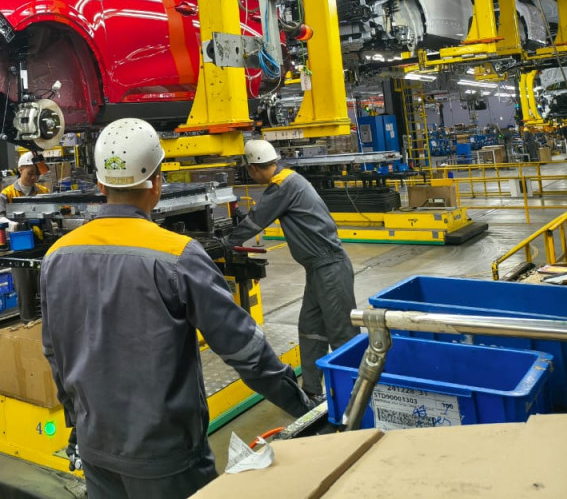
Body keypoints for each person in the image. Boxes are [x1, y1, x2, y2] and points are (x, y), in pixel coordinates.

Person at [41, 120, 310, 498]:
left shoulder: (56, 256)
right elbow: (244, 349)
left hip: (95, 448)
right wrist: (303, 407)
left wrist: (77, 423)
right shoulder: (178, 256)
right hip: (166, 457)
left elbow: (54, 352)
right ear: (156, 182)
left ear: (101, 185)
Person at [226, 139, 358, 404]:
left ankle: (356, 397)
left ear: (253, 168)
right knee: (310, 330)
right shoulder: (290, 180)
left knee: (342, 335)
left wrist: (225, 242)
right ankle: (312, 391)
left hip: (331, 268)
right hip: (317, 270)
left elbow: (257, 220)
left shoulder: (283, 185)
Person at [0, 152, 49, 320]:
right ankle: (27, 326)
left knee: (46, 294)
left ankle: (46, 327)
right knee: (25, 294)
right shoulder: (8, 193)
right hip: (19, 250)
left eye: (36, 174)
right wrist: (16, 225)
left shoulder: (43, 191)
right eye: (30, 173)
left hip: (43, 250)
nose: (34, 178)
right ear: (20, 169)